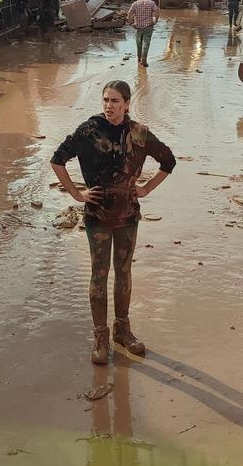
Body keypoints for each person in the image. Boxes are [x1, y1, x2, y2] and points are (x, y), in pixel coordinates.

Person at [50, 80, 176, 364]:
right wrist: (76, 193)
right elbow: (57, 160)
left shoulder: (139, 134)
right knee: (99, 274)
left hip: (128, 216)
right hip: (98, 216)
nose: (109, 106)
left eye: (115, 101)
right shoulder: (89, 131)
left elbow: (168, 161)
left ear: (127, 104)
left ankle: (123, 330)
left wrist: (145, 189)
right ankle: (100, 336)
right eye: (106, 100)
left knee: (124, 272)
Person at [127, 0, 160, 67]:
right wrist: (156, 20)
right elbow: (157, 11)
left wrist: (131, 23)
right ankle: (144, 60)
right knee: (146, 43)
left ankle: (139, 59)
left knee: (139, 43)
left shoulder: (135, 3)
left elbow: (129, 13)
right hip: (148, 26)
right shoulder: (151, 3)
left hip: (138, 27)